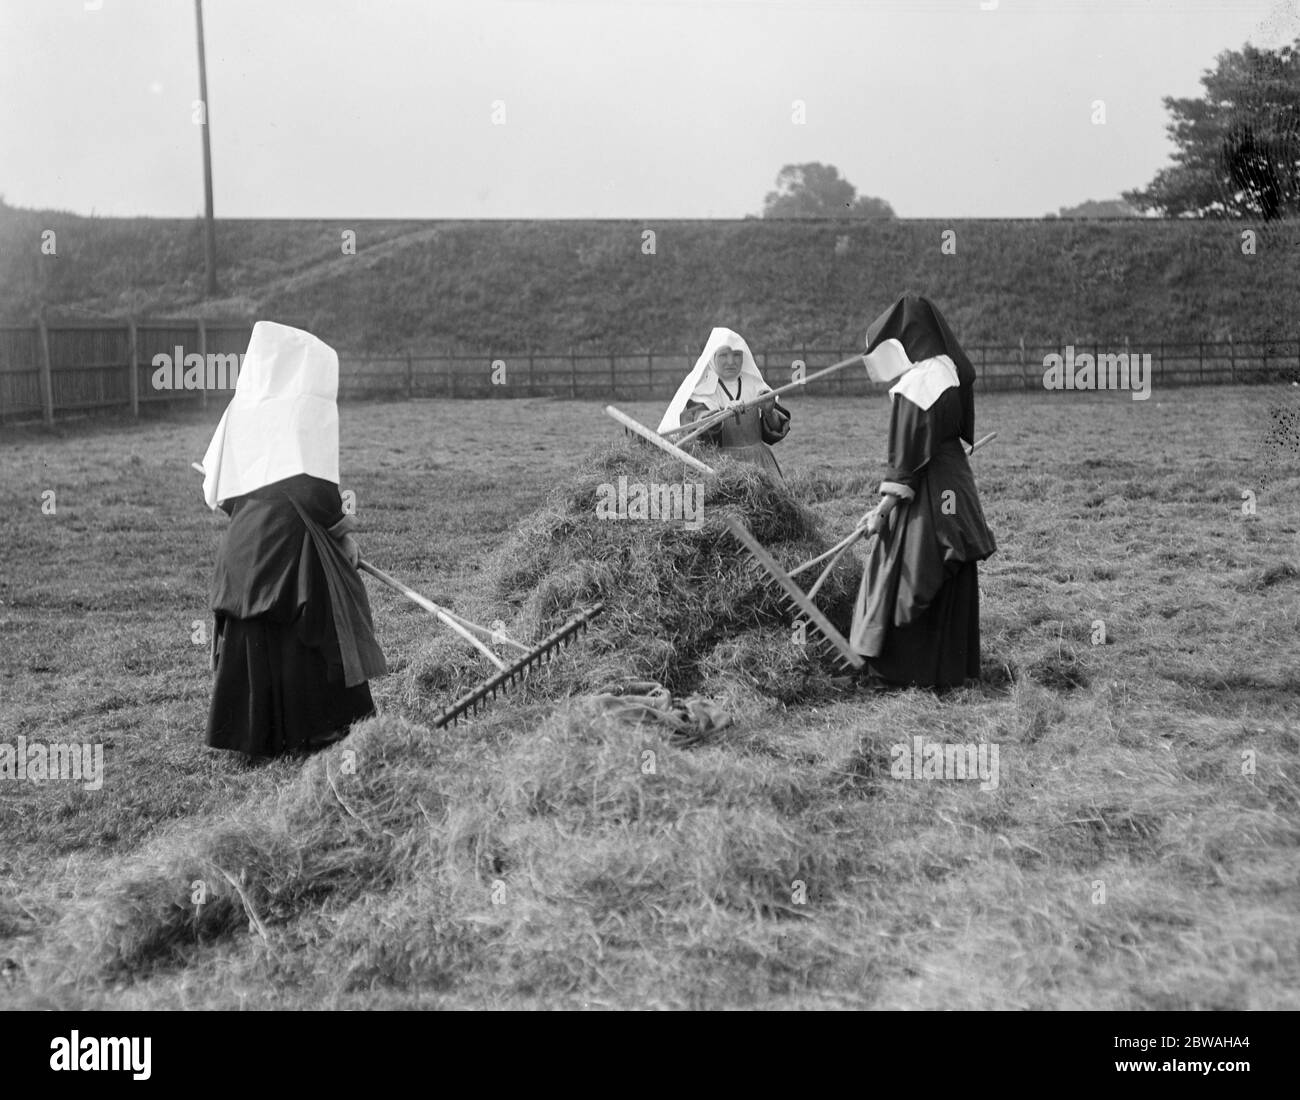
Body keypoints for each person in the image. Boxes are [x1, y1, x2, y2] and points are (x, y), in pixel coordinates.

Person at [197, 321, 388, 758]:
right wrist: (342, 536)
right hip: (287, 548)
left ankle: (255, 736)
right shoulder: (298, 412)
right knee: (316, 612)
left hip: (242, 544)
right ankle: (319, 725)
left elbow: (225, 493)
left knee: (257, 623)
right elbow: (317, 493)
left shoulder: (244, 411)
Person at [849, 295, 996, 690]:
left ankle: (902, 670)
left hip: (927, 491)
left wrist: (882, 510)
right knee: (948, 569)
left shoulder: (915, 386)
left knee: (908, 569)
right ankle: (949, 668)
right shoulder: (949, 369)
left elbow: (906, 461)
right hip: (955, 483)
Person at [658, 327, 791, 480]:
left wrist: (769, 412)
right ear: (712, 357)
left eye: (736, 355)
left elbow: (774, 432)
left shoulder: (756, 386)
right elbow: (699, 434)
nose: (731, 362)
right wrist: (722, 415)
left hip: (760, 463)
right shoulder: (702, 392)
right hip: (722, 467)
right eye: (723, 355)